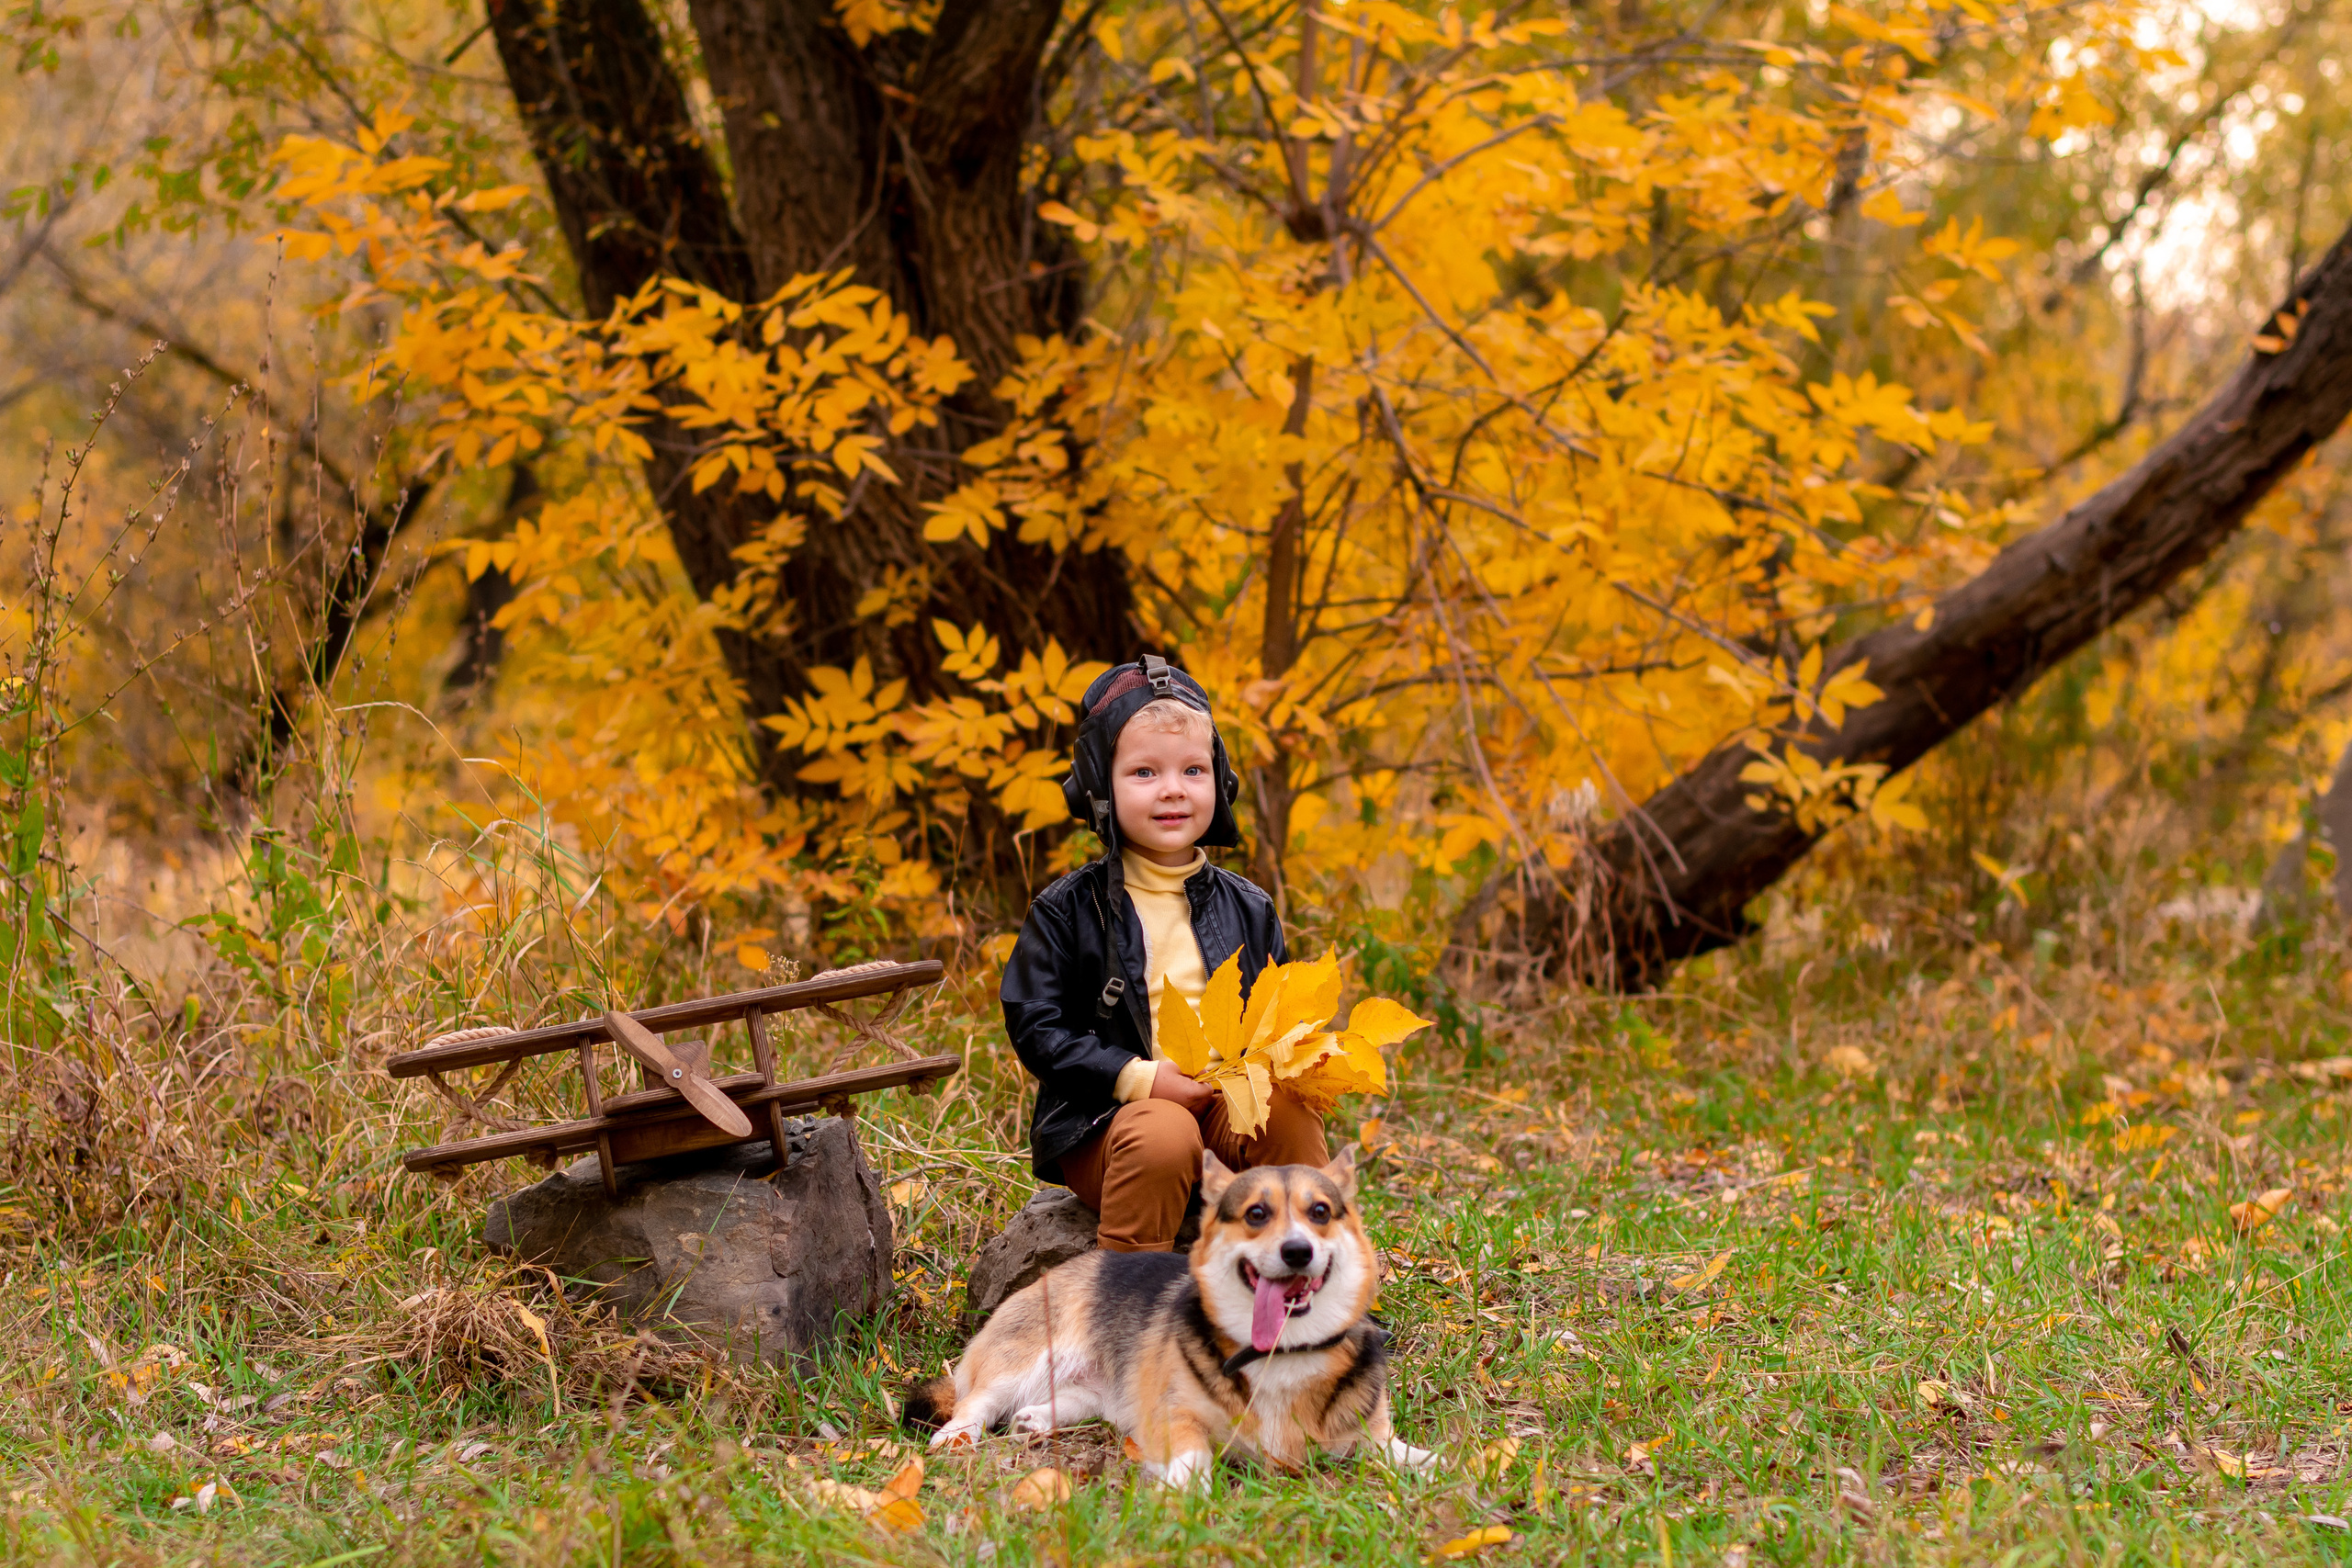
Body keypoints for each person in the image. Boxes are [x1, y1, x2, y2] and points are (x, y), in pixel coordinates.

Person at [999, 655, 1330, 1251]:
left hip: (1225, 1113)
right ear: (1101, 784)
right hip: (1112, 1126)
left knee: (1286, 1111)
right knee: (1165, 1131)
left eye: (1193, 770)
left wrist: (1299, 1056)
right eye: (1145, 772)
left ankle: (1310, 1278)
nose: (1173, 788)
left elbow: (1277, 1013)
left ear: (1220, 781)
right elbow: (1036, 1022)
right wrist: (1138, 1077)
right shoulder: (1069, 909)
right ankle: (1125, 1304)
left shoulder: (1249, 906)